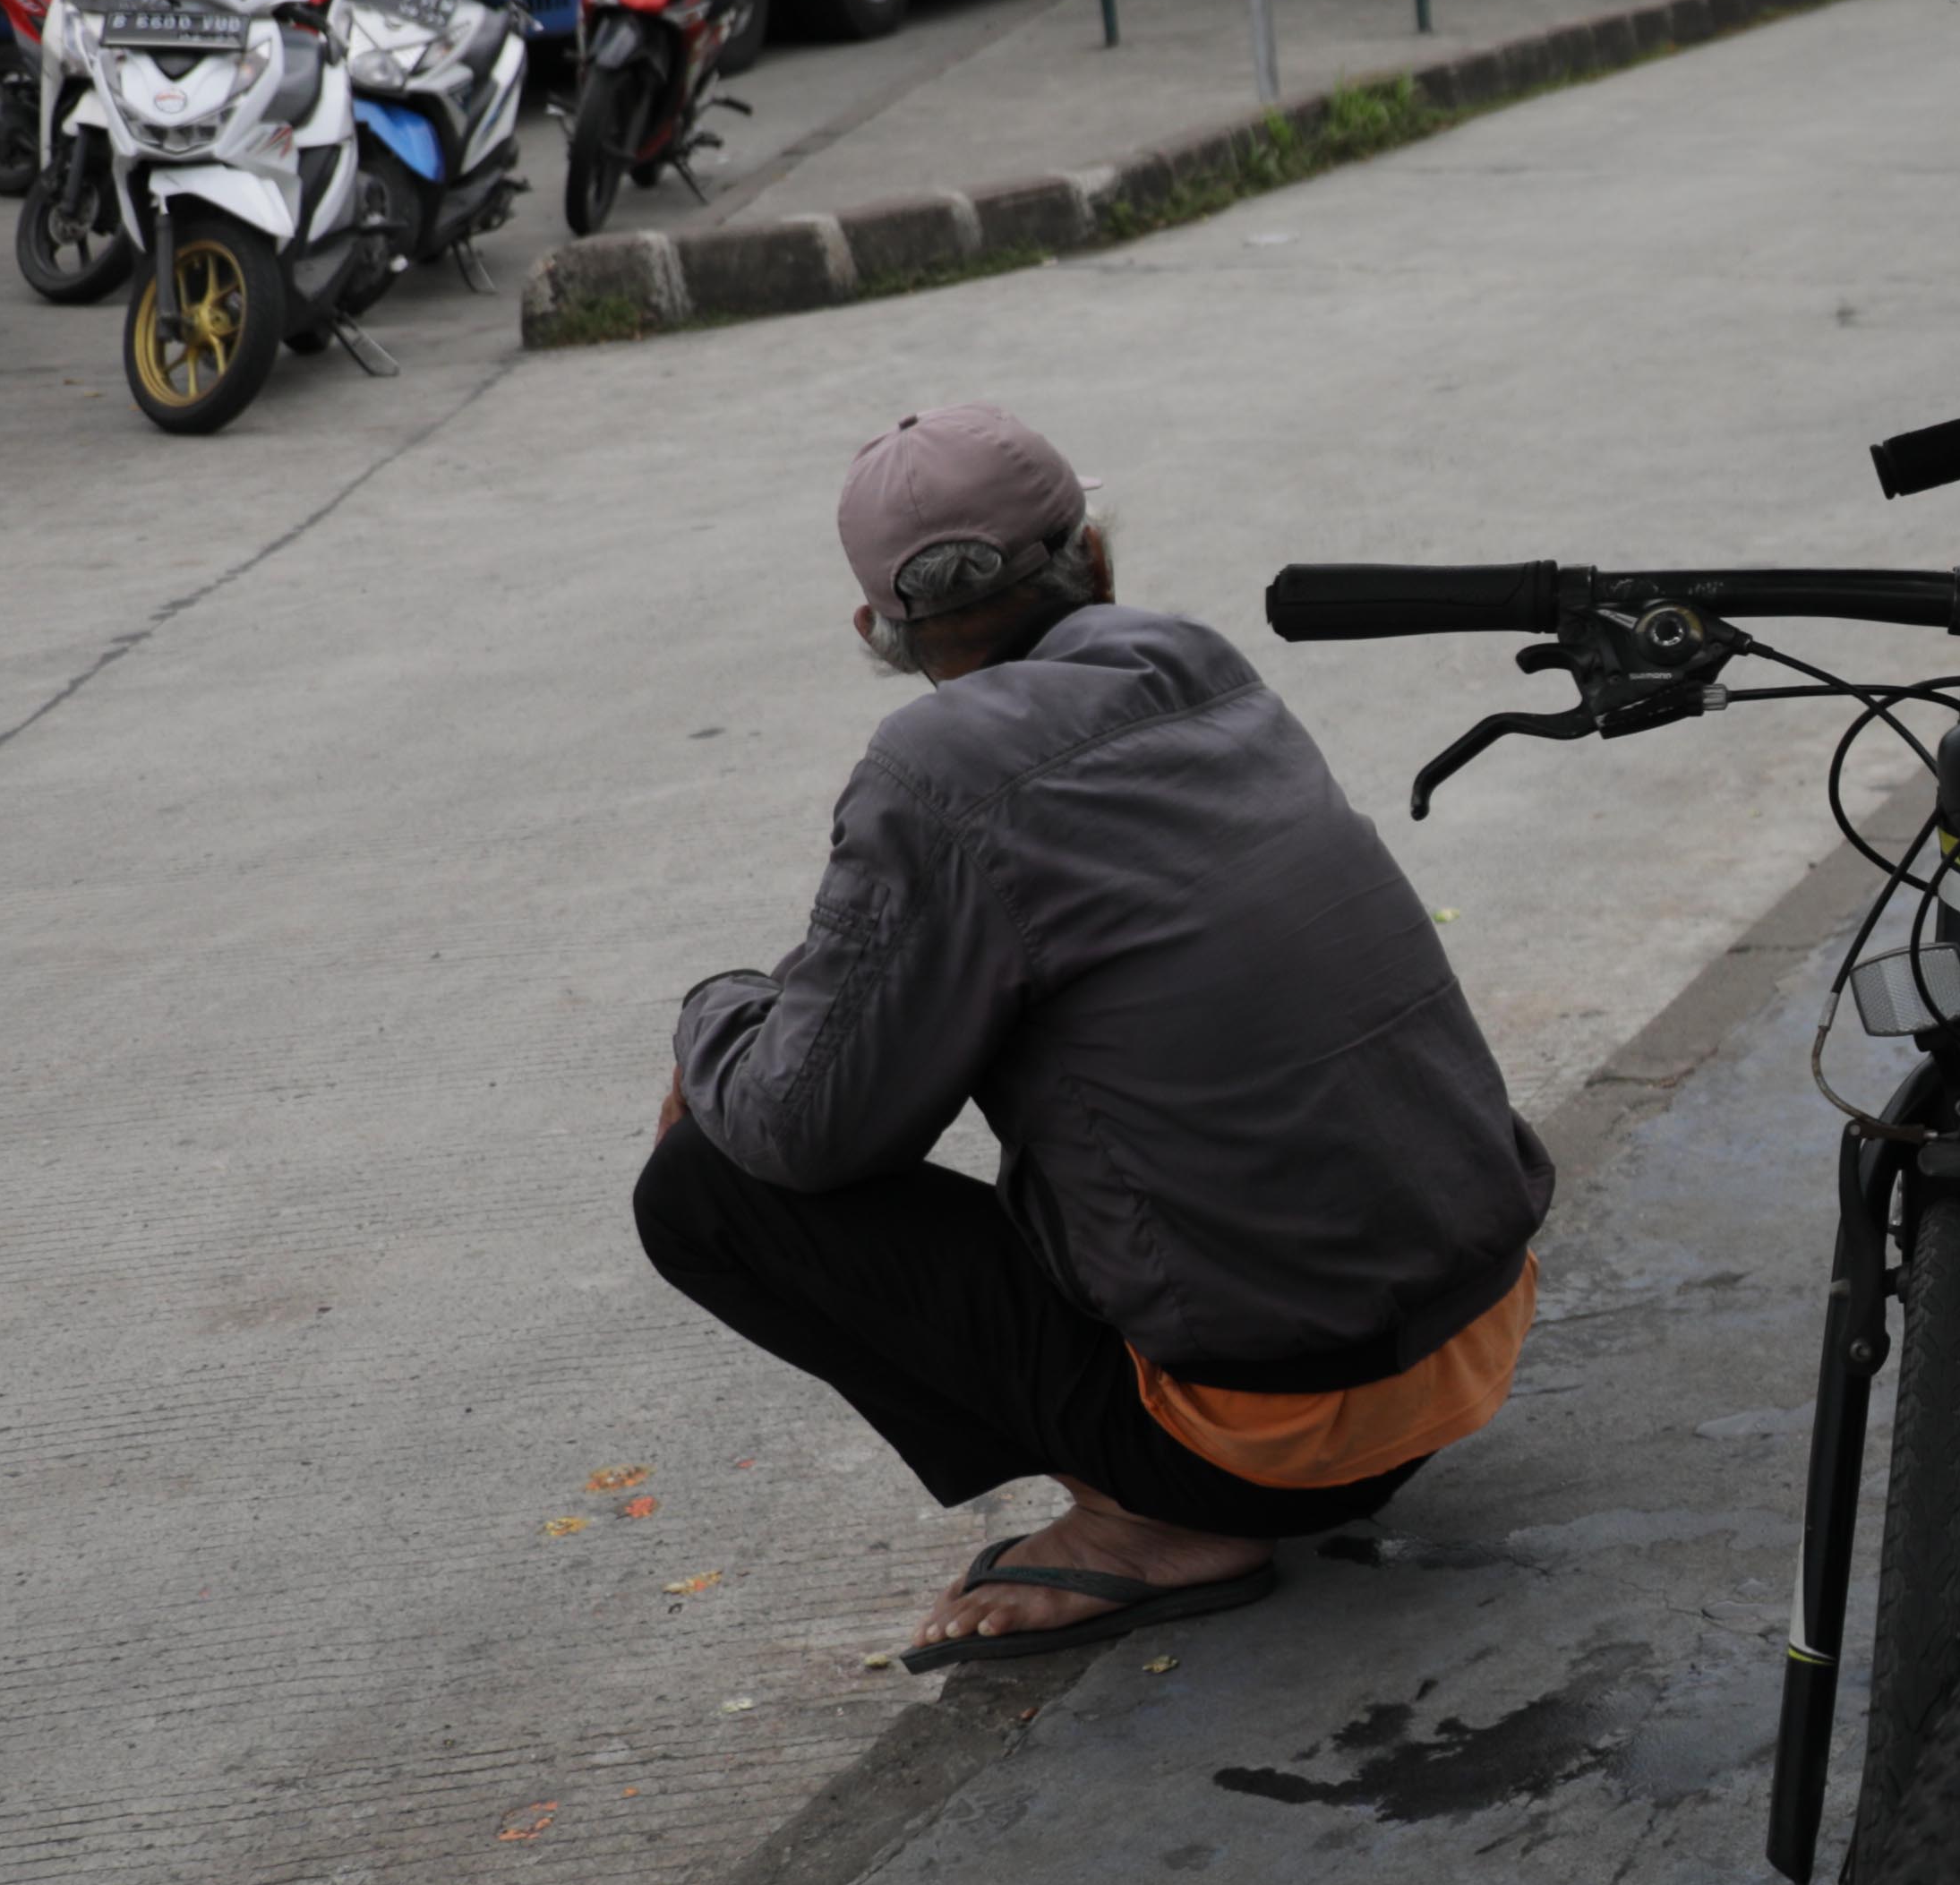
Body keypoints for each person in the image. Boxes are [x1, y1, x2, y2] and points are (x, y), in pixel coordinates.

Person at [635, 405, 1556, 1666]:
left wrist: (707, 1020)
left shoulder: (931, 769)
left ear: (880, 636)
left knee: (705, 1182)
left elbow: (811, 1131)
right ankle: (1174, 1469)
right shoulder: (1201, 671)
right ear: (1097, 559)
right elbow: (899, 953)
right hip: (1472, 1343)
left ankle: (1149, 1518)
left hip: (1277, 1445)